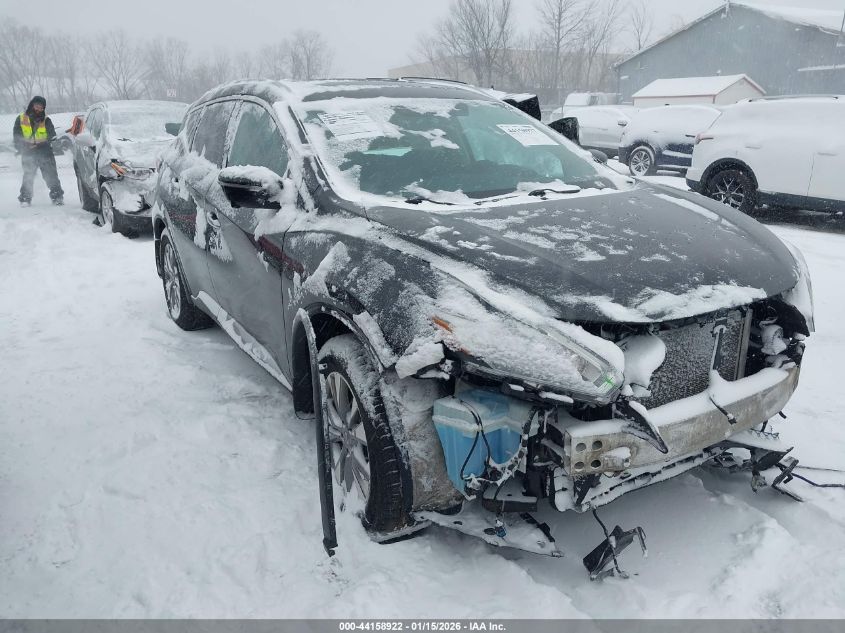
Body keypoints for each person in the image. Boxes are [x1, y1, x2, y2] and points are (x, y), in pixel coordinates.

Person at [13, 96, 64, 206]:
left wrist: (43, 143)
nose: (38, 109)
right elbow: (17, 136)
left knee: (51, 175)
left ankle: (57, 196)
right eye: (37, 106)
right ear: (32, 105)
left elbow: (52, 135)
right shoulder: (21, 119)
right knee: (28, 175)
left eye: (41, 107)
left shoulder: (46, 120)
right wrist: (23, 146)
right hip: (28, 152)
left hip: (45, 152)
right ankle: (25, 198)